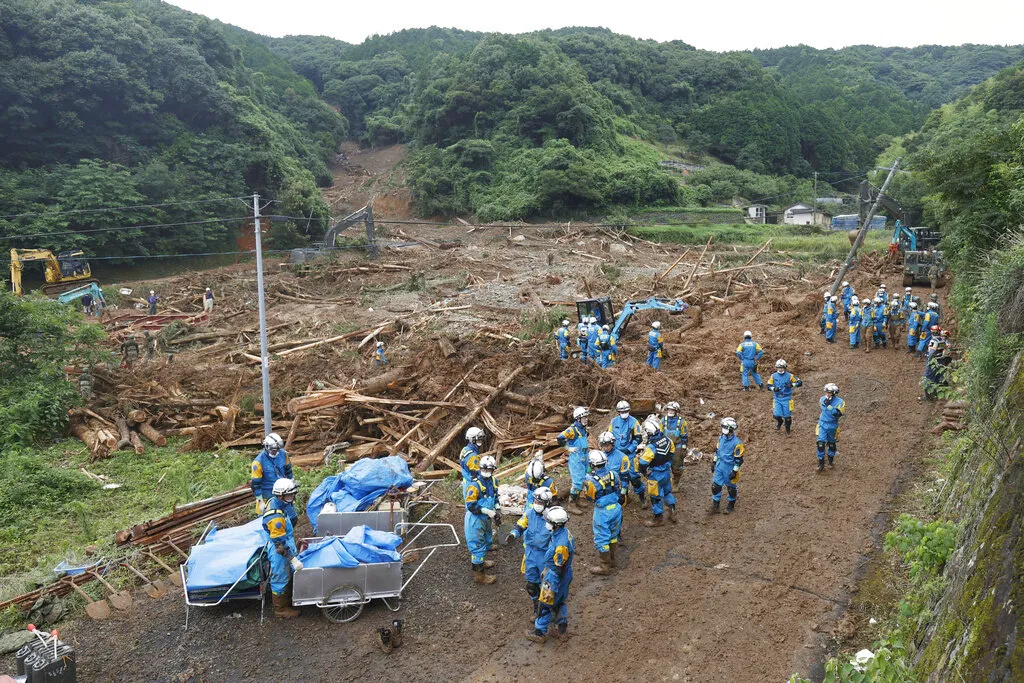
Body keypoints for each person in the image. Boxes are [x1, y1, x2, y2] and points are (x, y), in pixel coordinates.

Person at [526, 506, 575, 644]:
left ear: (556, 525)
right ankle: (561, 629)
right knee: (559, 601)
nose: (546, 523)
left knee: (545, 603)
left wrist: (550, 574)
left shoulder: (561, 545)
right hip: (563, 574)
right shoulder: (563, 533)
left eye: (548, 521)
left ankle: (539, 632)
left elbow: (559, 566)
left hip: (556, 577)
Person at [506, 486, 553, 614]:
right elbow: (520, 526)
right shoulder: (529, 513)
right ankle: (536, 606)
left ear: (547, 503)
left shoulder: (551, 518)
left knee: (548, 585)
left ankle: (549, 610)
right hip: (530, 554)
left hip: (544, 556)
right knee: (531, 585)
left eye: (539, 502)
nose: (536, 504)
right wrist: (513, 534)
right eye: (535, 501)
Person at [262, 477, 302, 618]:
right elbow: (279, 545)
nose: (292, 497)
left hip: (285, 540)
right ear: (280, 495)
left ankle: (289, 598)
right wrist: (291, 558)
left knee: (287, 574)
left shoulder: (277, 502)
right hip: (279, 548)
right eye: (290, 495)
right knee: (281, 576)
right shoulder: (276, 517)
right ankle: (280, 608)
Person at [581, 449, 623, 575]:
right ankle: (612, 559)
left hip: (602, 512)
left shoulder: (590, 481)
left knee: (601, 538)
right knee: (613, 535)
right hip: (616, 508)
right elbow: (618, 489)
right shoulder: (613, 474)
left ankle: (604, 566)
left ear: (592, 464)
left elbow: (589, 498)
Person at [465, 455, 500, 585]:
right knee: (477, 545)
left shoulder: (494, 481)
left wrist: (497, 509)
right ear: (480, 468)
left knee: (486, 539)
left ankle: (482, 561)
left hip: (486, 518)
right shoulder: (474, 485)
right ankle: (479, 576)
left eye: (489, 470)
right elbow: (471, 505)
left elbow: (495, 497)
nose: (487, 472)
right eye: (485, 470)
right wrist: (487, 511)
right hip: (475, 519)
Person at [636, 416, 676, 527]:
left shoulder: (651, 447)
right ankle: (672, 510)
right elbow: (672, 451)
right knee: (667, 492)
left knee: (655, 497)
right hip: (666, 472)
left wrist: (644, 472)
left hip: (655, 474)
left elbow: (643, 463)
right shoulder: (667, 440)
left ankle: (658, 518)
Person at [607, 400, 644, 505]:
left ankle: (642, 497)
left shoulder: (634, 422)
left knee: (634, 477)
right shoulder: (614, 421)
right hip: (616, 454)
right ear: (618, 412)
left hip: (629, 454)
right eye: (622, 412)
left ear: (629, 411)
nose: (624, 413)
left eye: (626, 411)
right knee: (618, 477)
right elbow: (610, 435)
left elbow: (638, 438)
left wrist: (630, 449)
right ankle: (624, 496)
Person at [557, 407, 591, 515]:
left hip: (584, 456)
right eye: (584, 417)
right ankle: (571, 504)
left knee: (583, 479)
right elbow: (560, 438)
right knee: (577, 483)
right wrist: (568, 448)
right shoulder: (572, 429)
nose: (586, 419)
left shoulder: (584, 428)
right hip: (576, 458)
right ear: (578, 419)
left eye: (586, 417)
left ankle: (578, 499)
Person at [250, 433, 292, 513]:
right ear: (266, 447)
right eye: (273, 450)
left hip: (283, 493)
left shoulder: (283, 454)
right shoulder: (258, 462)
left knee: (290, 517)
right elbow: (256, 484)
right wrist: (260, 500)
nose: (275, 452)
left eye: (277, 450)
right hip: (267, 495)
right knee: (269, 519)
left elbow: (288, 470)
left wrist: (291, 482)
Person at [710, 417, 744, 514]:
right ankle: (715, 505)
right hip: (720, 465)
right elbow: (717, 451)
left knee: (731, 488)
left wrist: (734, 471)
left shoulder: (737, 443)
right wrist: (714, 462)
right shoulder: (721, 438)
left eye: (724, 427)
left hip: (729, 467)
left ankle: (731, 504)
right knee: (715, 486)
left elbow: (739, 459)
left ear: (730, 429)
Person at [816, 383, 845, 472]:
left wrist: (829, 406)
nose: (827, 394)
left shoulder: (840, 402)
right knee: (820, 443)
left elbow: (838, 414)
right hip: (822, 424)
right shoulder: (822, 399)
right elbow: (822, 407)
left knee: (832, 444)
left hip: (832, 425)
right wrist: (828, 406)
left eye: (829, 392)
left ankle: (831, 459)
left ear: (834, 393)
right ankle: (821, 463)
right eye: (826, 392)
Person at [768, 359, 802, 435]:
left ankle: (788, 430)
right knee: (776, 415)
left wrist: (793, 385)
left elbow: (800, 382)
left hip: (787, 398)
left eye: (782, 367)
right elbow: (768, 386)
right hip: (777, 398)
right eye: (779, 367)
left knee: (788, 417)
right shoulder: (773, 376)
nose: (781, 369)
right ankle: (780, 421)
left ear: (785, 367)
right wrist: (774, 388)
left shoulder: (790, 376)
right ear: (776, 367)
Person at [661, 401, 688, 479]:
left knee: (677, 466)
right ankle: (664, 480)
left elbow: (684, 437)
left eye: (672, 410)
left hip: (677, 447)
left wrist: (683, 448)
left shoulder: (682, 422)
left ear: (676, 411)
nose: (670, 411)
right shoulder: (663, 421)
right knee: (663, 465)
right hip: (665, 446)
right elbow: (659, 434)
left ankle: (675, 481)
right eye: (669, 410)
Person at [460, 426, 486, 495]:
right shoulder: (472, 456)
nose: (480, 442)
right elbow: (477, 473)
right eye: (479, 440)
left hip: (466, 480)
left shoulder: (465, 449)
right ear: (472, 439)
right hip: (472, 485)